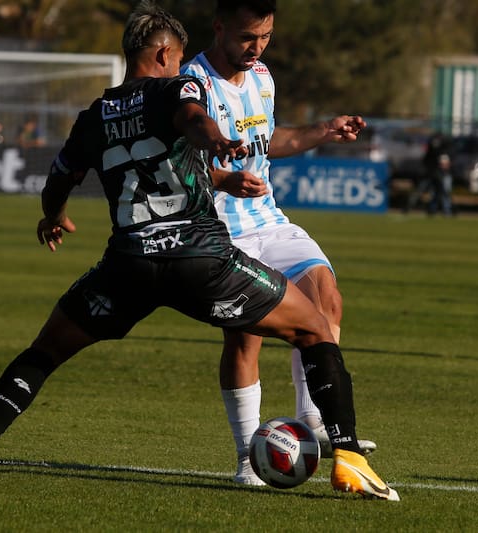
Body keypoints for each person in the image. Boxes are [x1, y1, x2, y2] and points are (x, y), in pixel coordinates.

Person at [0, 0, 398, 501]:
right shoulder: (180, 85)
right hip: (200, 258)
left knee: (44, 352)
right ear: (167, 52)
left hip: (128, 266)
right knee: (314, 328)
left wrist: (54, 216)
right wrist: (215, 139)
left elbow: (58, 179)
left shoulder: (94, 115)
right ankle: (347, 459)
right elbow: (194, 117)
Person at [181, 0, 375, 486]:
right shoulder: (193, 82)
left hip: (269, 220)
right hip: (219, 226)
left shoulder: (263, 76)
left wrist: (323, 131)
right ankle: (249, 458)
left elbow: (272, 139)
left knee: (326, 297)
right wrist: (222, 177)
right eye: (248, 37)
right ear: (220, 26)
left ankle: (314, 421)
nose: (257, 47)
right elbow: (177, 158)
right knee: (245, 334)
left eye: (265, 36)